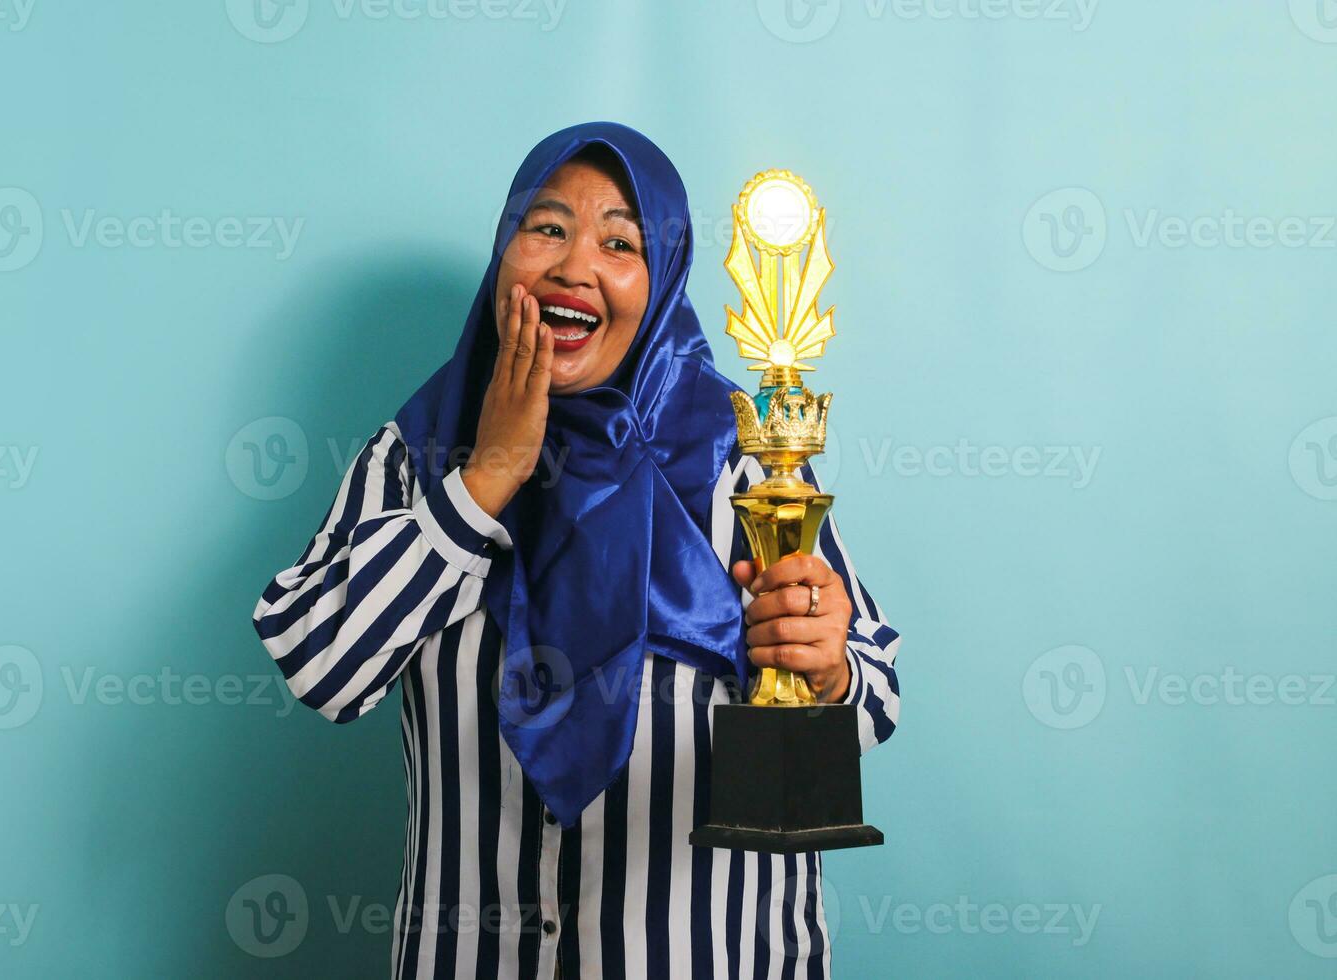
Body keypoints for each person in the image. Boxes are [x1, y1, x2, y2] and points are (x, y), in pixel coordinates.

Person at [252, 121, 902, 980]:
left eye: (620, 242)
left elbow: (875, 692)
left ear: (662, 279)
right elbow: (321, 666)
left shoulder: (743, 460)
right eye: (547, 227)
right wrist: (485, 479)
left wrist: (829, 672)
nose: (573, 267)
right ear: (504, 254)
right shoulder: (417, 453)